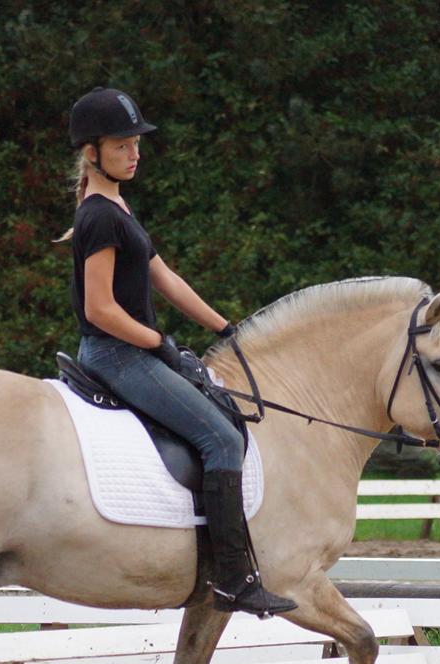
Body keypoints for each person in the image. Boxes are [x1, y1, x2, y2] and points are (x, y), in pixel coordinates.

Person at [59, 86, 296, 618]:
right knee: (219, 439)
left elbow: (163, 276)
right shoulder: (98, 215)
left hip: (130, 349)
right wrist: (158, 343)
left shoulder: (119, 205)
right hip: (116, 354)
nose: (135, 153)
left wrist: (227, 327)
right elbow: (100, 309)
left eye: (137, 144)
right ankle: (235, 578)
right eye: (122, 146)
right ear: (93, 152)